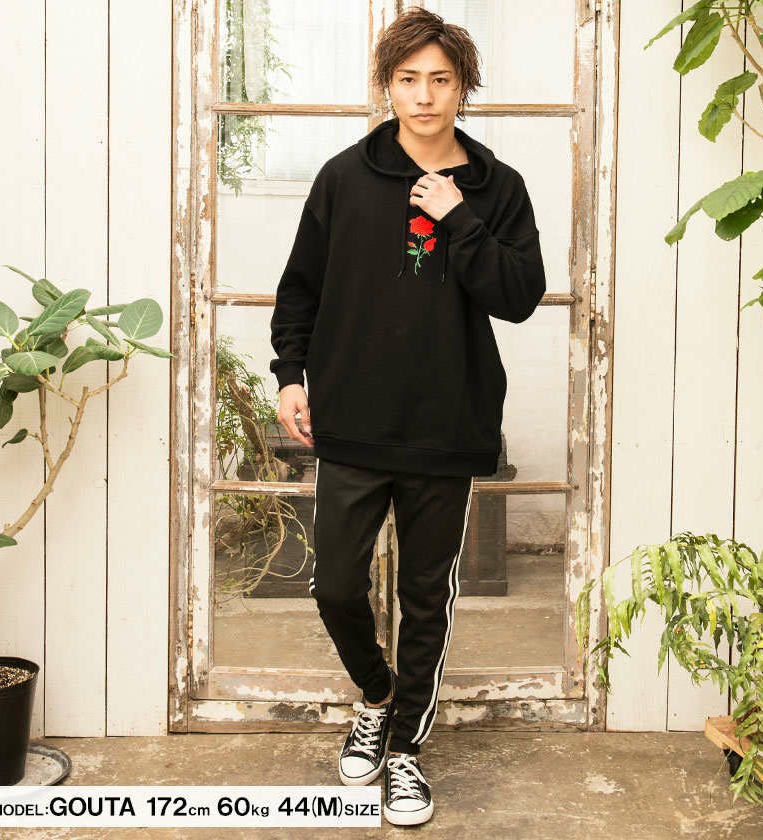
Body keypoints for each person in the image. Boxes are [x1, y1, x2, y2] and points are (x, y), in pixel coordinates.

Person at [269, 6, 545, 827]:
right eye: (408, 79)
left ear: (464, 88)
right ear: (386, 86)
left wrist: (457, 216)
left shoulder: (497, 187)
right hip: (352, 418)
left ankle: (405, 754)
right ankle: (376, 693)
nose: (424, 96)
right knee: (334, 584)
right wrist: (290, 375)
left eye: (441, 80)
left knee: (427, 598)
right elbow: (300, 288)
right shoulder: (343, 177)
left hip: (447, 421)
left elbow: (518, 296)